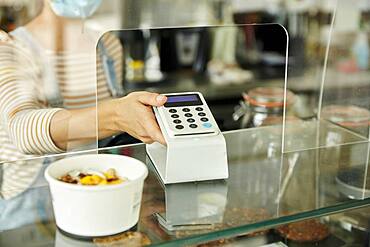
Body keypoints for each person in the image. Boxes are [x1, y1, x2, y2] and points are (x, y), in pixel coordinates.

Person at [0, 0, 165, 203]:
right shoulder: (10, 48)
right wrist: (116, 115)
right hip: (31, 207)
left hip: (99, 189)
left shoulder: (108, 45)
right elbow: (22, 130)